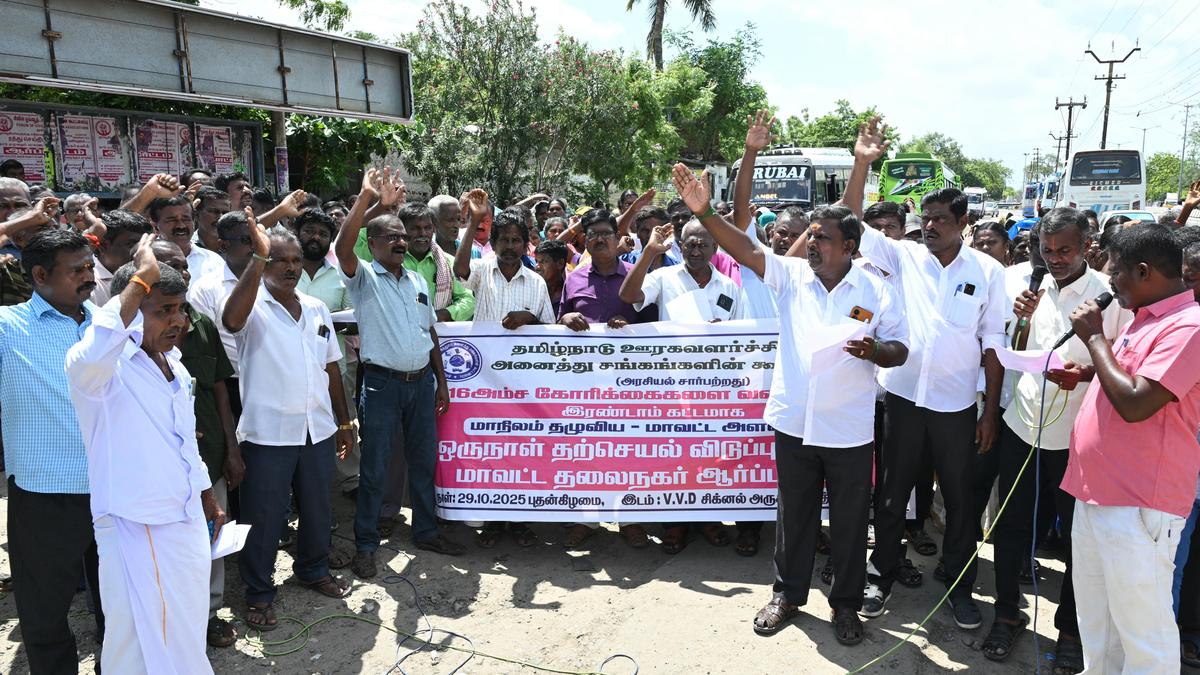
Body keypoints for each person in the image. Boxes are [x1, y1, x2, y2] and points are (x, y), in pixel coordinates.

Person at [673, 163, 908, 645]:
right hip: (794, 421)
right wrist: (705, 213)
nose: (813, 245)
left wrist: (875, 351)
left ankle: (845, 605)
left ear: (850, 248)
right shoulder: (792, 276)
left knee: (845, 523)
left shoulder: (877, 291)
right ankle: (787, 595)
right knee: (794, 514)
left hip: (847, 427)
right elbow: (746, 247)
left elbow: (901, 349)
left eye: (823, 238)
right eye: (812, 236)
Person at [848, 120, 1007, 631]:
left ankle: (958, 585)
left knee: (960, 502)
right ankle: (882, 574)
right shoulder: (903, 257)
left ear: (962, 220)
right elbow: (850, 218)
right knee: (892, 496)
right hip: (902, 401)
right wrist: (861, 164)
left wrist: (989, 412)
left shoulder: (987, 273)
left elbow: (993, 345)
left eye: (940, 218)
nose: (930, 226)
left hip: (958, 407)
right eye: (926, 218)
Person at [971, 208, 1130, 667]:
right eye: (1047, 249)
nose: (1055, 258)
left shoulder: (1108, 297)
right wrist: (1020, 322)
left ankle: (1070, 631)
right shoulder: (1033, 287)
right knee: (1011, 528)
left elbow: (1122, 370)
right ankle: (1006, 614)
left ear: (1087, 247)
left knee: (1079, 543)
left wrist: (1082, 376)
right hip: (1024, 426)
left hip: (1079, 440)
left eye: (1065, 250)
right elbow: (1017, 352)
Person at [66, 238, 222, 674]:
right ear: (132, 311)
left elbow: (185, 439)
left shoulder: (176, 364)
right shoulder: (100, 369)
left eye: (180, 309)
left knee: (185, 628)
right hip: (136, 523)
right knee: (134, 639)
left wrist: (205, 495)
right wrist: (140, 278)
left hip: (184, 515)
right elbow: (96, 348)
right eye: (164, 311)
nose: (178, 321)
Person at [1060, 223, 1200, 675]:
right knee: (1098, 625)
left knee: (1143, 636)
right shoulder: (1146, 319)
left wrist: (1095, 339)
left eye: (1116, 270)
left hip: (1139, 505)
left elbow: (1137, 403)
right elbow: (1128, 380)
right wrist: (1086, 372)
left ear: (1143, 272)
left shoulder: (1189, 327)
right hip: (1096, 493)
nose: (1109, 280)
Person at [221, 210, 355, 631]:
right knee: (263, 516)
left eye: (296, 261)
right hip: (268, 434)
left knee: (318, 507)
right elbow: (230, 321)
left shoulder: (315, 308)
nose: (291, 268)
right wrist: (258, 261)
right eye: (280, 260)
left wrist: (345, 422)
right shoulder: (251, 305)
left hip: (317, 428)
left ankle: (313, 568)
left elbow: (332, 367)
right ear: (262, 263)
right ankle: (259, 593)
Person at [334, 169, 465, 575]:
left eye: (402, 236)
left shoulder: (415, 280)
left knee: (424, 462)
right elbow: (342, 246)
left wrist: (441, 381)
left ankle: (425, 531)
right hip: (382, 385)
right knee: (375, 466)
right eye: (390, 236)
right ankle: (367, 544)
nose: (400, 241)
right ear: (371, 244)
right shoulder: (364, 279)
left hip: (420, 384)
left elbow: (430, 332)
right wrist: (368, 200)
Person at [0, 228, 104, 674]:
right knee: (44, 614)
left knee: (120, 605)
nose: (89, 277)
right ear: (40, 275)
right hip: (46, 493)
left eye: (89, 266)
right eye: (77, 270)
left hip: (113, 489)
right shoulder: (7, 329)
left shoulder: (108, 323)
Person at [150, 239, 245, 649]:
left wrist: (232, 447)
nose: (181, 273)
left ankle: (208, 615)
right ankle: (169, 621)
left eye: (184, 266)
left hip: (207, 457)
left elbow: (220, 388)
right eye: (169, 266)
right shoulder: (132, 334)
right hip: (158, 464)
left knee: (211, 537)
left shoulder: (202, 324)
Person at [556, 209, 648, 550]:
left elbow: (656, 328)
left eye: (605, 233)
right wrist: (566, 316)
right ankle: (585, 518)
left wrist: (631, 327)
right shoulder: (575, 279)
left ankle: (631, 518)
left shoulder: (638, 276)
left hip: (629, 384)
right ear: (585, 240)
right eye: (592, 234)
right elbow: (557, 321)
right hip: (585, 383)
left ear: (617, 237)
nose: (599, 239)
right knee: (586, 450)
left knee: (629, 450)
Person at [454, 190, 555, 327]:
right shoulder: (482, 270)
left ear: (525, 246)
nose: (509, 246)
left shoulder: (537, 283)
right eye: (504, 240)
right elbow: (460, 270)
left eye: (516, 240)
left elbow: (549, 330)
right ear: (493, 244)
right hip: (484, 348)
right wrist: (475, 220)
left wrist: (531, 319)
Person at [149, 195, 227, 283]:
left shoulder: (214, 261)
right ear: (155, 227)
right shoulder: (146, 260)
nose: (181, 225)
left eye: (186, 219)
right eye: (172, 220)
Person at [92, 209, 154, 308]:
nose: (141, 252)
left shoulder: (153, 276)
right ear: (103, 246)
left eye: (146, 245)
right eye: (131, 244)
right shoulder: (90, 284)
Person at [534, 239, 568, 317]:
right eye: (536, 261)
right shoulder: (530, 291)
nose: (537, 267)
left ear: (560, 263)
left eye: (543, 261)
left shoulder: (572, 293)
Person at [193, 186, 232, 251]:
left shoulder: (237, 245)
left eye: (225, 213)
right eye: (214, 211)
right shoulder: (187, 246)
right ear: (197, 215)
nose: (221, 217)